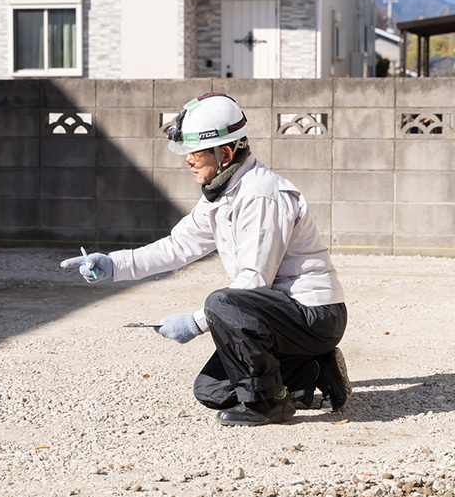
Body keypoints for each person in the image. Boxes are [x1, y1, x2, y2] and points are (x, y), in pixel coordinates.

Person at [61, 92, 351, 427]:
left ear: (225, 153)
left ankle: (270, 405)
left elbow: (254, 280)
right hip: (279, 317)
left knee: (222, 302)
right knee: (212, 390)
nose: (187, 160)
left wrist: (196, 321)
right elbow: (177, 246)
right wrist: (114, 264)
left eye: (194, 152)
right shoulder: (221, 194)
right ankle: (314, 367)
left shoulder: (261, 195)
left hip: (313, 315)